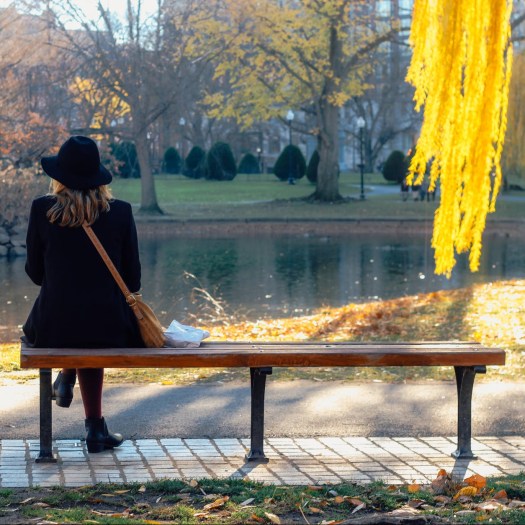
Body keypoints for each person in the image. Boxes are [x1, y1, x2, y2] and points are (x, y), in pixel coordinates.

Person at [22, 136, 144, 453]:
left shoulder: (42, 209)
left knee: (77, 326)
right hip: (110, 327)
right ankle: (94, 429)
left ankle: (67, 377)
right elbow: (132, 280)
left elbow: (35, 273)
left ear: (59, 176)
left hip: (53, 326)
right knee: (92, 328)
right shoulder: (121, 212)